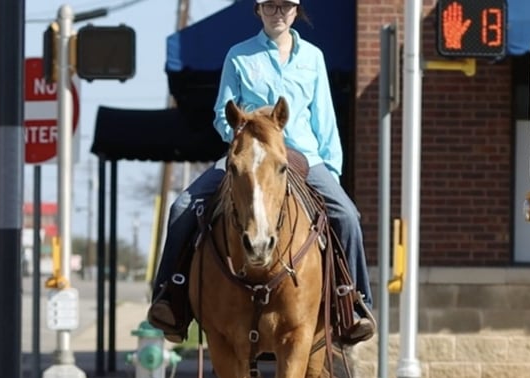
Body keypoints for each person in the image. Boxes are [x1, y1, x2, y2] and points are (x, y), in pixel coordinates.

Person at [148, 0, 375, 345]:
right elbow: (222, 114)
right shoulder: (238, 56)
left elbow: (325, 120)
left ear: (296, 11)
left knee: (347, 215)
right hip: (250, 152)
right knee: (181, 208)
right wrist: (241, 138)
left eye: (285, 7)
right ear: (258, 11)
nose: (278, 13)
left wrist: (331, 172)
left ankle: (353, 303)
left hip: (302, 155)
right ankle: (171, 298)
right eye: (270, 7)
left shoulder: (313, 58)